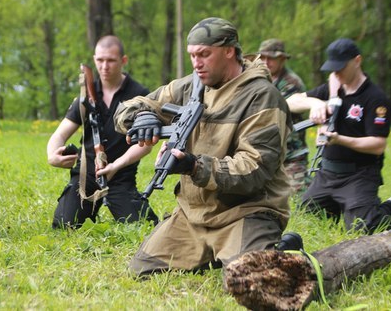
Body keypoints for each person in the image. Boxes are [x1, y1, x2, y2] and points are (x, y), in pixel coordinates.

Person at [113, 17, 293, 276]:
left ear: (229, 51)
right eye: (192, 55)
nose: (197, 63)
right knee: (141, 270)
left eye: (204, 54)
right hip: (193, 214)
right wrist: (141, 117)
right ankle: (218, 255)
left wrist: (193, 166)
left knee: (250, 279)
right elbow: (127, 109)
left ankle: (283, 249)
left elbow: (255, 170)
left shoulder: (262, 96)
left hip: (245, 212)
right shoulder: (191, 85)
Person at [286, 38, 391, 234]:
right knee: (307, 219)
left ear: (357, 61)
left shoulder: (375, 98)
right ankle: (343, 206)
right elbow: (290, 102)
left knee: (361, 228)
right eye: (333, 68)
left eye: (341, 67)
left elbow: (378, 144)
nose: (336, 73)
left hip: (359, 174)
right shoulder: (332, 90)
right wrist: (315, 103)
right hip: (327, 174)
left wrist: (339, 139)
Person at [47, 35, 159, 229]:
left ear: (123, 61)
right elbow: (59, 134)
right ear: (94, 59)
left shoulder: (139, 94)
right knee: (63, 225)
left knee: (143, 227)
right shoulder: (85, 95)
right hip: (86, 178)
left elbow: (146, 145)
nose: (104, 66)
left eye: (111, 60)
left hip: (120, 177)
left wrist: (116, 165)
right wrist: (52, 156)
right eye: (100, 60)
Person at [257, 39, 310, 193]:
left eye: (271, 58)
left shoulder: (291, 83)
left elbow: (277, 111)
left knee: (300, 199)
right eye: (263, 58)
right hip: (265, 153)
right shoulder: (258, 79)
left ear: (282, 59)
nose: (266, 62)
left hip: (291, 153)